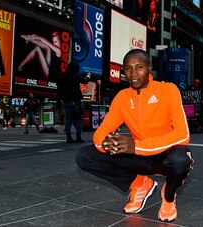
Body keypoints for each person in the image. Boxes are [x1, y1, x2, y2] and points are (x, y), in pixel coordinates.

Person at [75, 49, 194, 222]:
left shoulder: (168, 90)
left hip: (165, 156)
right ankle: (140, 184)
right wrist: (106, 143)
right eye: (128, 69)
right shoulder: (122, 98)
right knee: (85, 156)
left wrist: (136, 146)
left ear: (149, 68)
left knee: (181, 160)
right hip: (139, 158)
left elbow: (183, 135)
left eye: (139, 67)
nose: (133, 73)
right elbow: (101, 132)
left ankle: (168, 198)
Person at [58, 62, 91, 143]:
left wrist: (62, 98)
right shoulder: (76, 76)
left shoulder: (63, 76)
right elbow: (85, 81)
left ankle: (68, 137)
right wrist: (88, 76)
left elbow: (59, 90)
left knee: (68, 119)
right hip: (76, 101)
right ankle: (78, 137)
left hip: (67, 101)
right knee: (79, 119)